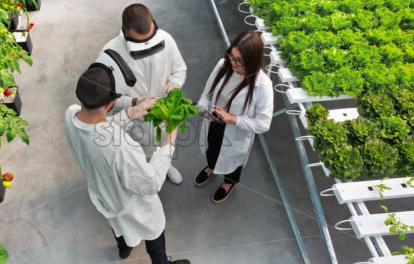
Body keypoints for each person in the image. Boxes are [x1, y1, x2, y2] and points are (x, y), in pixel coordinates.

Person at [64, 66, 190, 264]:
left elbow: (98, 127)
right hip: (133, 206)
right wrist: (169, 140)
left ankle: (124, 248)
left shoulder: (71, 114)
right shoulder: (121, 147)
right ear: (111, 104)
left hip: (103, 194)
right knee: (154, 234)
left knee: (118, 227)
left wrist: (133, 112)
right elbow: (152, 181)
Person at [101, 3, 187, 185]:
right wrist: (135, 102)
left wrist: (175, 83)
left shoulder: (166, 40)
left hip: (161, 113)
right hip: (132, 118)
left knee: (164, 144)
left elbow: (180, 70)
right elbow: (106, 99)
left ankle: (165, 166)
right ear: (125, 32)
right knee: (134, 155)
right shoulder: (110, 53)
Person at [194, 31, 274, 204]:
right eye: (231, 56)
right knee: (212, 148)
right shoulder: (223, 65)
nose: (233, 62)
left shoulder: (263, 86)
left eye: (239, 61)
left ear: (253, 60)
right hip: (214, 121)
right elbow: (206, 94)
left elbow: (263, 123)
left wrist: (232, 119)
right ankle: (211, 167)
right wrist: (205, 109)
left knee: (233, 161)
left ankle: (229, 182)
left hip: (237, 129)